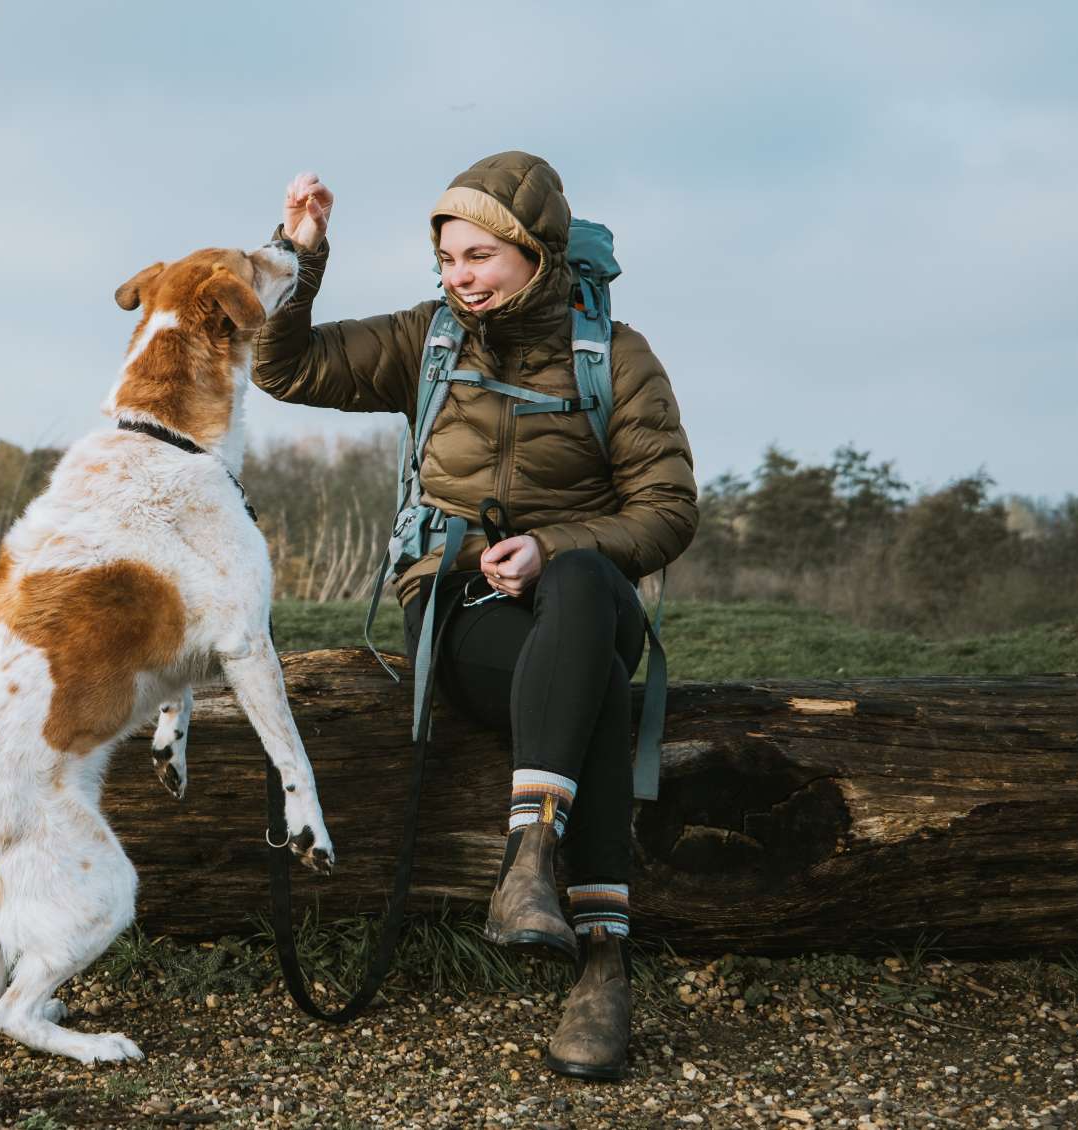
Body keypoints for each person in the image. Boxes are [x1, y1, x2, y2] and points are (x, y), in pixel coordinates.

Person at [251, 152, 698, 1080]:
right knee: (601, 694)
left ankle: (529, 857)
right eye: (448, 260)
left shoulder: (614, 357)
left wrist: (552, 545)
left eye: (480, 257)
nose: (459, 277)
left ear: (536, 253)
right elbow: (283, 370)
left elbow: (667, 510)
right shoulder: (428, 340)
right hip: (460, 609)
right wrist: (300, 253)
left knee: (575, 581)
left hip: (584, 599)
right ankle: (604, 965)